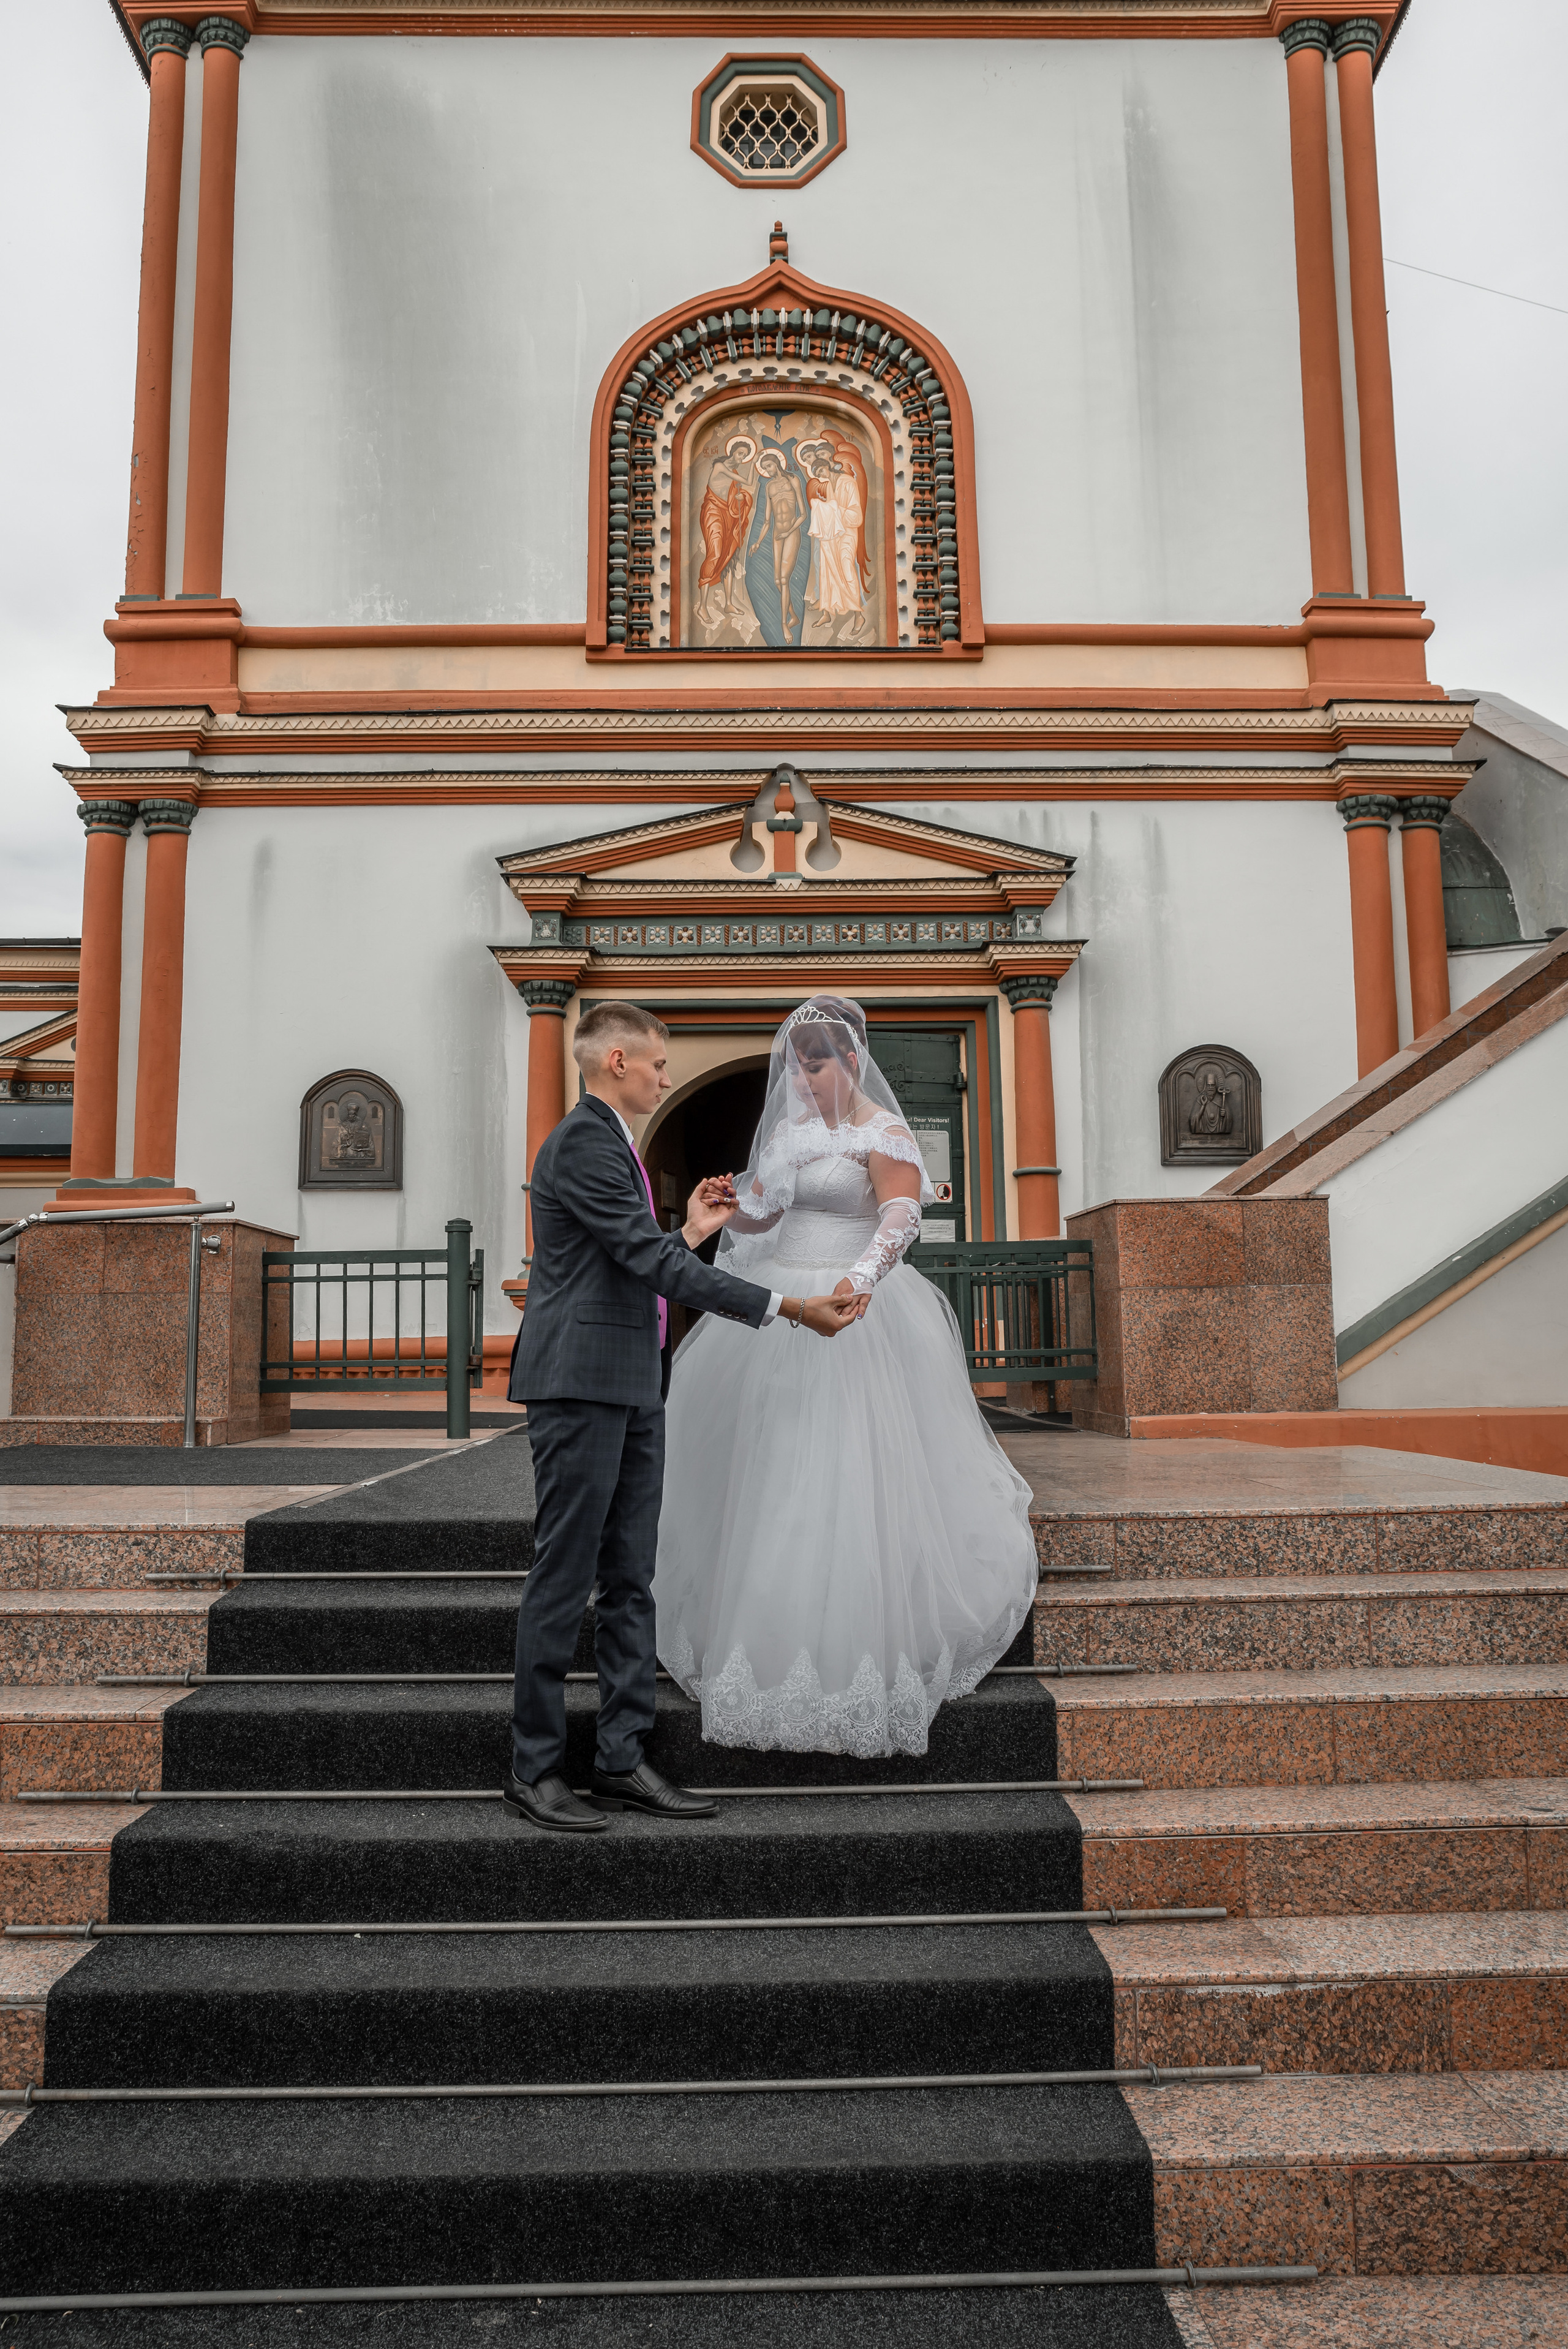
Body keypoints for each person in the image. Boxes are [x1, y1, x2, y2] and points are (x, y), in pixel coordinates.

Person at [505, 1001, 860, 1833]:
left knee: (633, 1575)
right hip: (580, 1383)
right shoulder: (585, 1140)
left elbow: (638, 1251)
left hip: (631, 1381)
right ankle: (535, 1767)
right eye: (660, 1063)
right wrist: (788, 1305)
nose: (667, 1075)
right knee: (564, 1577)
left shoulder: (615, 1142)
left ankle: (622, 1757)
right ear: (617, 1060)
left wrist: (692, 1230)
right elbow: (646, 1259)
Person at [654, 994, 1039, 1759]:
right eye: (796, 1066)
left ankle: (856, 1645)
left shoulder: (882, 1131)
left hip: (853, 1304)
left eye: (815, 1065)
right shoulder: (790, 1134)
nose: (800, 1080)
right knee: (768, 1463)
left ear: (851, 1060)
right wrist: (731, 1210)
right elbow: (768, 1213)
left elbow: (900, 1215)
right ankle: (763, 1630)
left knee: (846, 1462)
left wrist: (861, 1276)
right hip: (783, 1302)